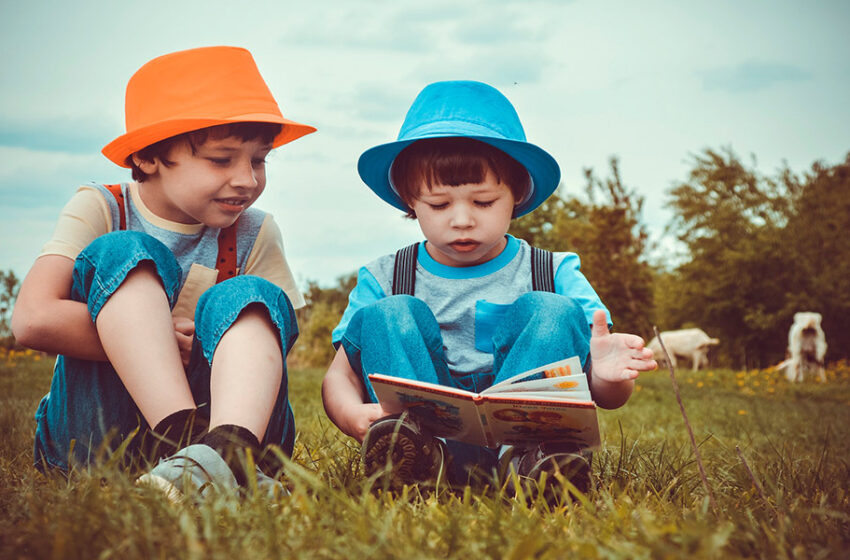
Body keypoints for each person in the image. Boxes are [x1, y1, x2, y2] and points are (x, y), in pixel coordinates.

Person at [321, 80, 657, 496]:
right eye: (439, 205)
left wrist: (607, 377)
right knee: (389, 313)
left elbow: (609, 395)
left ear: (516, 195)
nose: (462, 220)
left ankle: (533, 466)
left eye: (483, 202)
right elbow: (339, 376)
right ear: (410, 201)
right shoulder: (385, 275)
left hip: (528, 438)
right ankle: (414, 462)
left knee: (551, 309)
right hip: (423, 437)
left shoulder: (553, 270)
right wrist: (351, 414)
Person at [12, 46, 315, 498]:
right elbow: (32, 319)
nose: (248, 180)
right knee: (124, 252)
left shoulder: (255, 230)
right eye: (221, 159)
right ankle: (193, 449)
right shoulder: (102, 206)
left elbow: (270, 342)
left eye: (259, 159)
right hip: (100, 440)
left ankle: (228, 453)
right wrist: (152, 337)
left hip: (230, 423)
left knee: (250, 295)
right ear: (149, 157)